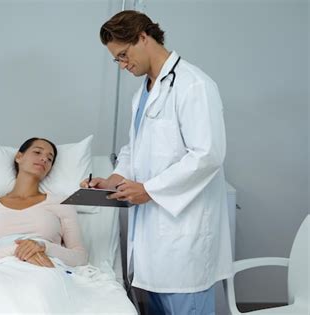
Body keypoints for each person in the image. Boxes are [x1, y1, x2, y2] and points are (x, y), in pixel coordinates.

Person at [81, 10, 232, 315]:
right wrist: (114, 178)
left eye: (124, 55)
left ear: (142, 37)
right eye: (117, 60)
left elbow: (208, 154)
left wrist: (149, 190)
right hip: (154, 242)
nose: (123, 65)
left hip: (184, 238)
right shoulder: (144, 94)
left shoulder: (193, 85)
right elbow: (136, 148)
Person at [0, 137, 88, 268]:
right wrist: (19, 250)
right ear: (19, 157)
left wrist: (43, 247)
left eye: (49, 159)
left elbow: (80, 257)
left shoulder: (62, 203)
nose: (44, 159)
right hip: (1, 270)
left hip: (45, 271)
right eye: (37, 152)